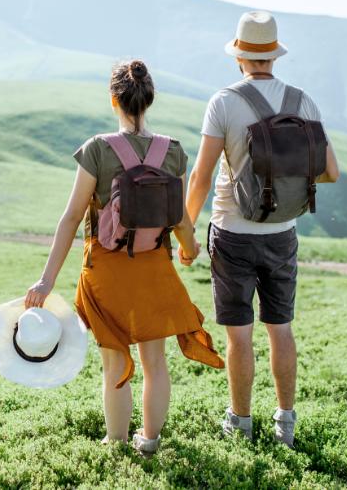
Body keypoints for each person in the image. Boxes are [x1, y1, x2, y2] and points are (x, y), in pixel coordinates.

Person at [25, 60, 224, 457]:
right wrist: (188, 250)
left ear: (113, 99)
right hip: (154, 269)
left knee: (115, 365)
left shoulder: (97, 150)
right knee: (155, 363)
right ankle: (149, 441)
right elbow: (182, 221)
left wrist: (46, 281)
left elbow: (70, 218)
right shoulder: (173, 152)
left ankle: (115, 443)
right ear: (149, 100)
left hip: (106, 272)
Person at [183, 11, 340, 448]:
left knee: (239, 334)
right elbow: (330, 172)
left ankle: (240, 422)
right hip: (283, 234)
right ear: (273, 55)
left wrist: (187, 233)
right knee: (281, 328)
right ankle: (285, 423)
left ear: (239, 56)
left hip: (232, 233)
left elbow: (201, 176)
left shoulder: (224, 102)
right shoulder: (302, 101)